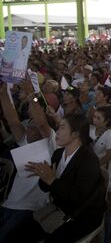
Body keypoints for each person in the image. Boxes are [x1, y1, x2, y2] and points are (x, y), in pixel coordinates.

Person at [15, 114, 106, 243]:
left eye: (62, 128)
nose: (57, 131)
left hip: (84, 214)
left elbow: (79, 197)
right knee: (19, 233)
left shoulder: (89, 160)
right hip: (60, 208)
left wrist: (52, 180)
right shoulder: (58, 154)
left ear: (75, 134)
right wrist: (43, 176)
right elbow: (45, 188)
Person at [0, 82, 56, 241]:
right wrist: (3, 94)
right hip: (10, 202)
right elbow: (12, 120)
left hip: (30, 208)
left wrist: (32, 95)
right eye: (29, 126)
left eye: (34, 126)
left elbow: (42, 123)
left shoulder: (50, 143)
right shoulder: (25, 139)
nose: (30, 128)